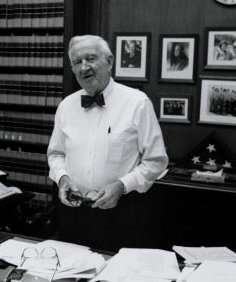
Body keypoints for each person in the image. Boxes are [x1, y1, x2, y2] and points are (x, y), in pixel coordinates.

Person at [47, 34, 168, 211]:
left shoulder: (138, 103)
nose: (84, 67)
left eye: (90, 59)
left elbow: (156, 161)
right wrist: (62, 178)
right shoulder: (66, 106)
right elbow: (56, 154)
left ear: (109, 62)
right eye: (77, 62)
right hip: (73, 208)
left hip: (124, 209)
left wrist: (121, 185)